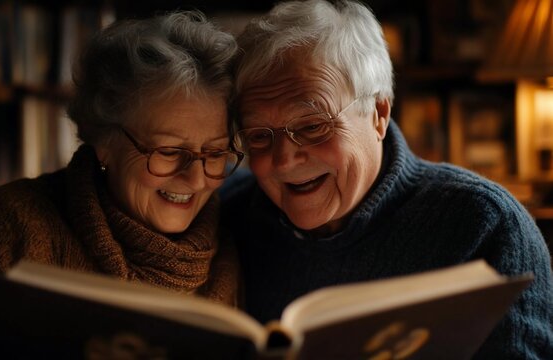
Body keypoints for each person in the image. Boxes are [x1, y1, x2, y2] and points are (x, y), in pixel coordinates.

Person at [221, 0, 553, 358]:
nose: (284, 160)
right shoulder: (230, 214)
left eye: (313, 126)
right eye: (258, 136)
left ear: (378, 113)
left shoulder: (483, 224)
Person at [0, 10, 243, 358]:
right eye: (169, 150)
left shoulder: (233, 239)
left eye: (215, 152)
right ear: (105, 141)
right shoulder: (12, 221)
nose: (196, 177)